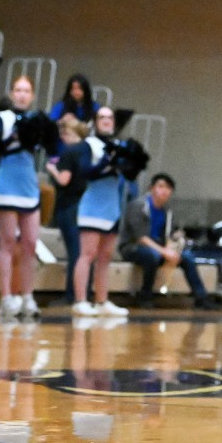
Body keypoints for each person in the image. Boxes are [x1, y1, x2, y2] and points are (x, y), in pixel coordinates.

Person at [0, 76, 46, 320]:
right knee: (7, 243)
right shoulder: (2, 119)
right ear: (12, 94)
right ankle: (6, 298)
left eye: (27, 91)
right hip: (5, 185)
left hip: (28, 186)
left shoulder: (36, 120)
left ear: (32, 96)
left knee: (31, 244)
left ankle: (27, 296)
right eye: (18, 90)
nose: (22, 95)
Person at [120, 174, 219, 310]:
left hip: (157, 248)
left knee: (187, 257)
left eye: (168, 188)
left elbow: (167, 234)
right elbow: (140, 237)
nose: (164, 191)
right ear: (151, 188)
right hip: (132, 247)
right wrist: (164, 251)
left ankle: (201, 298)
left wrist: (176, 238)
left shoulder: (166, 211)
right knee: (152, 256)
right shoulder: (138, 206)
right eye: (160, 186)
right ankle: (145, 296)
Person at [70, 108, 131, 318]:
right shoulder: (90, 145)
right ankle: (80, 300)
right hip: (93, 206)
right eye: (102, 118)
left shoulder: (118, 146)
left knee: (105, 256)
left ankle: (102, 300)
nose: (106, 121)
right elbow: (84, 171)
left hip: (112, 206)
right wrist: (107, 162)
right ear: (95, 122)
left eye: (110, 118)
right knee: (87, 254)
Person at [44, 118, 90, 304]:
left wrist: (52, 169)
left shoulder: (69, 153)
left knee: (75, 253)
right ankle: (84, 292)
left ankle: (72, 295)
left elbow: (64, 180)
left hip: (69, 205)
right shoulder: (87, 150)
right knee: (84, 252)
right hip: (84, 204)